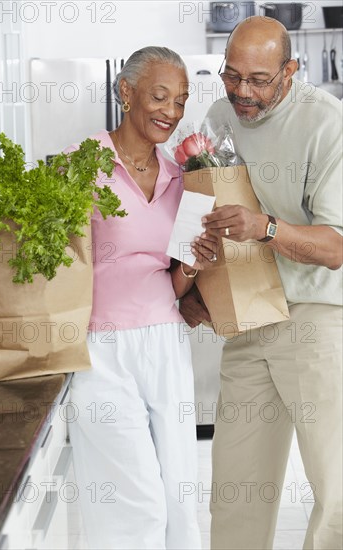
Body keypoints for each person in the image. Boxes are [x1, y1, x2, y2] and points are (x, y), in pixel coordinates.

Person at [180, 16, 343, 550]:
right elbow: (199, 216)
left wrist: (266, 228)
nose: (241, 93)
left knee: (335, 488)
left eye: (258, 80)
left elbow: (336, 247)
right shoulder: (216, 116)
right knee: (236, 487)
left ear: (290, 71)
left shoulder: (327, 123)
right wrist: (193, 288)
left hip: (314, 321)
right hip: (247, 319)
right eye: (232, 76)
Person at [66, 46, 217, 550]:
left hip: (165, 344)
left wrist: (192, 265)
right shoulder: (80, 165)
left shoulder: (183, 178)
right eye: (159, 96)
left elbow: (169, 281)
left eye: (180, 101)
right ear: (126, 92)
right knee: (134, 504)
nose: (171, 113)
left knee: (177, 496)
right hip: (99, 349)